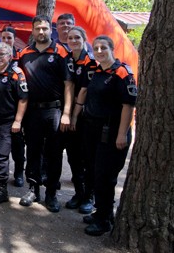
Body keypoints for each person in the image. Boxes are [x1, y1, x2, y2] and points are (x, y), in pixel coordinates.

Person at [80, 35, 136, 236]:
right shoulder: (96, 70)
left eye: (104, 47)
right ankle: (102, 213)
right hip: (93, 130)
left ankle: (103, 220)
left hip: (112, 132)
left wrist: (122, 134)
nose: (100, 51)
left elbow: (128, 106)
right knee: (96, 173)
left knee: (105, 176)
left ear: (112, 49)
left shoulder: (122, 72)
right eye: (96, 48)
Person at [18, 15, 74, 213]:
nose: (41, 32)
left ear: (51, 30)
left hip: (54, 111)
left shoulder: (61, 52)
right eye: (37, 29)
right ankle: (33, 189)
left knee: (54, 154)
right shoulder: (24, 53)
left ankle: (51, 193)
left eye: (44, 28)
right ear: (32, 31)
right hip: (32, 111)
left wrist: (66, 113)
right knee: (32, 151)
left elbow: (69, 84)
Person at [0, 42, 28, 204]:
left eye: (2, 54)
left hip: (8, 121)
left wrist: (18, 121)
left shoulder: (16, 74)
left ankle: (3, 190)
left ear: (10, 56)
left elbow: (24, 99)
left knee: (0, 155)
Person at [64, 26, 98, 212]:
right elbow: (67, 85)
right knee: (73, 156)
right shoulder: (68, 58)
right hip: (70, 114)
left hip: (86, 116)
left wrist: (73, 116)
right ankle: (78, 192)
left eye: (77, 37)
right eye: (70, 37)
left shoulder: (91, 60)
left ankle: (89, 196)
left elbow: (84, 91)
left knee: (88, 157)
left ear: (84, 39)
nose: (74, 40)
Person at [1, 26, 24, 186]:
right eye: (4, 38)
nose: (6, 41)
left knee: (18, 146)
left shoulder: (21, 57)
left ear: (14, 39)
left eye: (9, 38)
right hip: (1, 110)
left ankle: (19, 173)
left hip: (17, 111)